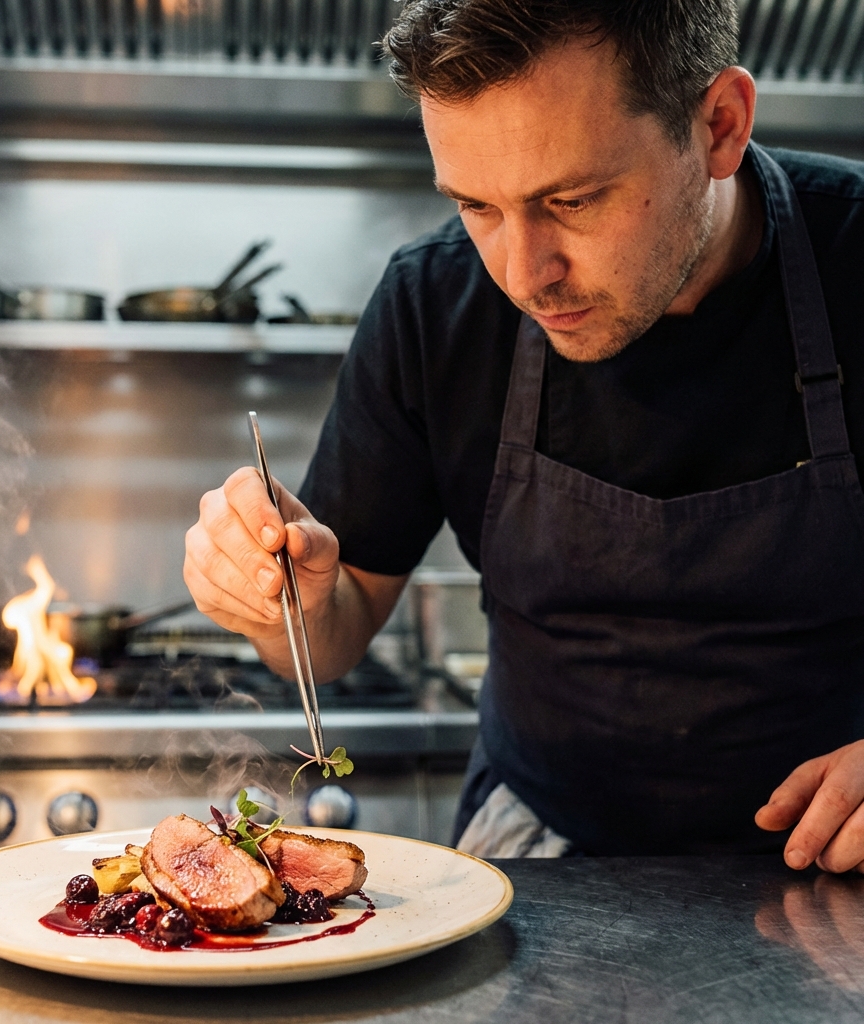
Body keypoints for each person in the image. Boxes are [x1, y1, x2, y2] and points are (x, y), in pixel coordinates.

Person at [184, 0, 864, 871]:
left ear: (720, 126)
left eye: (572, 200)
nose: (522, 273)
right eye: (477, 205)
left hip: (835, 857)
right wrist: (286, 603)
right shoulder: (436, 305)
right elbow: (336, 628)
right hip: (542, 844)